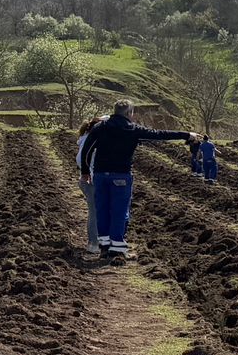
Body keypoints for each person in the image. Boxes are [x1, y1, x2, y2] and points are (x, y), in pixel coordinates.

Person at [79, 100, 196, 260]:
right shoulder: (133, 129)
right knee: (119, 213)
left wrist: (85, 171)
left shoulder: (100, 127)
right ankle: (117, 249)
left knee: (102, 210)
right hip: (121, 176)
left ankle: (104, 247)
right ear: (129, 113)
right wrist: (186, 135)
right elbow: (159, 135)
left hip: (100, 175)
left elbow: (87, 149)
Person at [75, 116, 106, 256]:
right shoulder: (93, 141)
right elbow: (87, 161)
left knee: (95, 211)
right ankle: (94, 243)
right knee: (95, 212)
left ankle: (96, 241)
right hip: (91, 180)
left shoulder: (85, 138)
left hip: (86, 179)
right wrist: (91, 175)